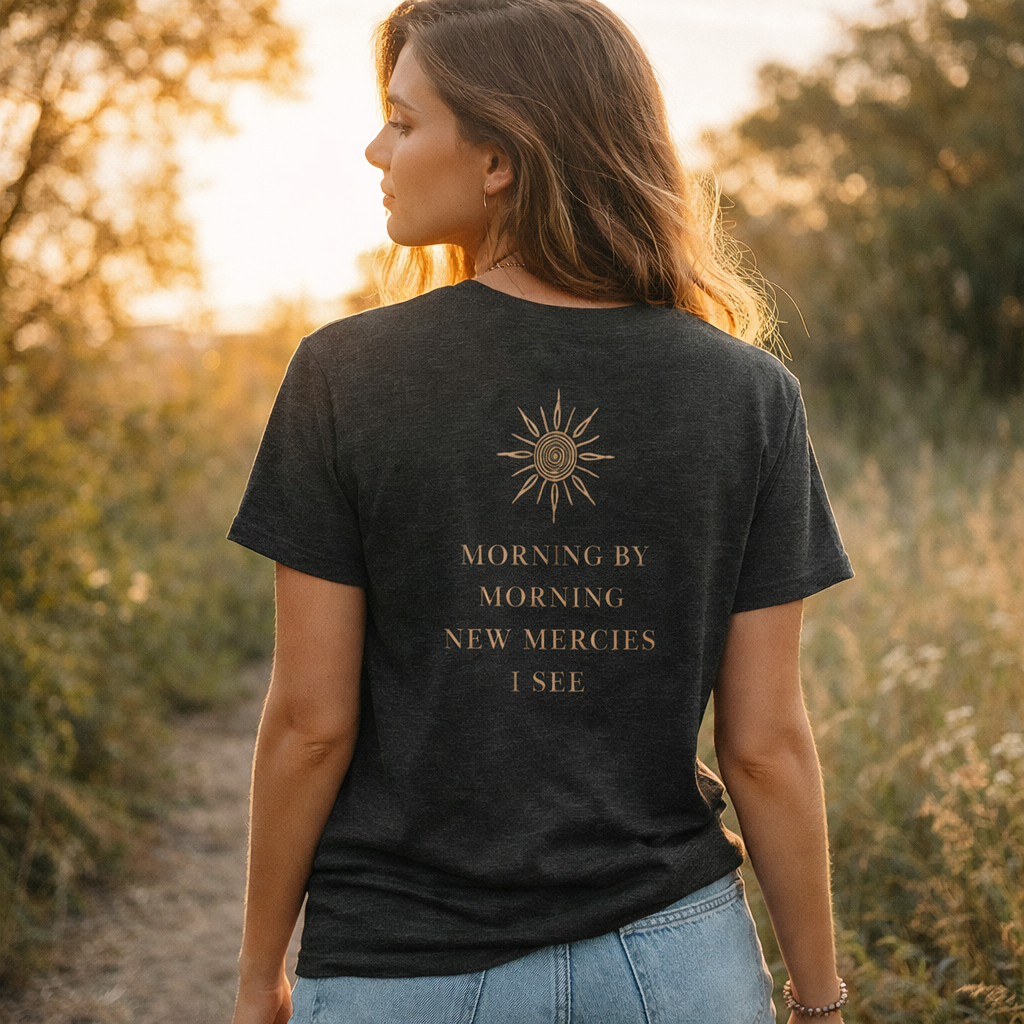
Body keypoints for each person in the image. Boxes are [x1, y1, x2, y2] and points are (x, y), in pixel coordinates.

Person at [227, 1, 854, 1021]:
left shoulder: (344, 375)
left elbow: (309, 724)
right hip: (674, 965)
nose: (375, 149)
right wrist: (819, 995)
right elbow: (765, 744)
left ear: (499, 160)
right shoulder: (747, 393)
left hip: (406, 963)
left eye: (403, 121)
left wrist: (260, 971)